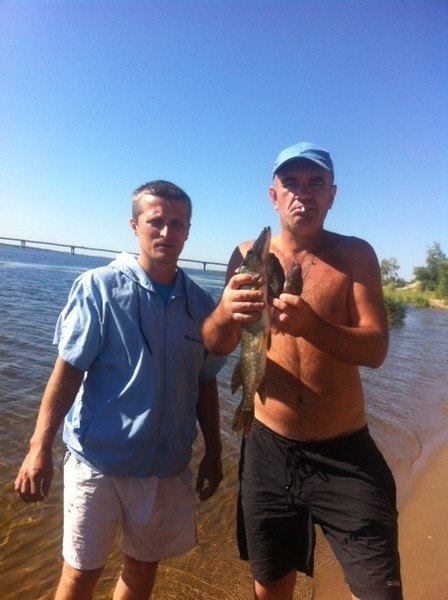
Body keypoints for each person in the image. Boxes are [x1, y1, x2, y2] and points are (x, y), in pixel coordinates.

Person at [202, 143, 403, 600]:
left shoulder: (355, 256)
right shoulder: (245, 254)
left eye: (316, 183)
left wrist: (314, 326)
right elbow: (215, 344)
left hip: (345, 454)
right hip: (267, 450)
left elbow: (376, 349)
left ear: (332, 195)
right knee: (270, 587)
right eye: (291, 183)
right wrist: (224, 313)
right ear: (273, 196)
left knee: (380, 591)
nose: (303, 193)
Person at [15, 180, 225, 600]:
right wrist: (39, 447)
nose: (166, 232)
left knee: (142, 569)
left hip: (166, 468)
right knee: (80, 574)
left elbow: (204, 381)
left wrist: (215, 453)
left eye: (177, 223)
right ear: (134, 226)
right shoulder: (99, 287)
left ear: (188, 231)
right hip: (98, 462)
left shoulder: (202, 304)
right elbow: (67, 373)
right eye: (156, 221)